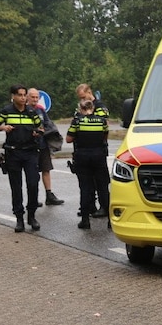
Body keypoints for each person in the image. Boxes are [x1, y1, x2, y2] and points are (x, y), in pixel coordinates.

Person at [0, 84, 42, 232]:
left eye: (25, 95)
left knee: (33, 183)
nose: (23, 98)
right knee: (16, 187)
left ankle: (32, 216)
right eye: (20, 95)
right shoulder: (6, 111)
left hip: (30, 152)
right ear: (13, 96)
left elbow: (41, 127)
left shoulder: (32, 112)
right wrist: (2, 128)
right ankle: (19, 218)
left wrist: (38, 132)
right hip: (13, 153)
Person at [67, 98, 111, 230]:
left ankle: (85, 220)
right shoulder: (102, 121)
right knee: (103, 188)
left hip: (83, 157)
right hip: (99, 156)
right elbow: (105, 136)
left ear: (81, 109)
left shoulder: (77, 121)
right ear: (92, 108)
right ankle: (110, 220)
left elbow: (69, 139)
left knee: (85, 188)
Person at [73, 83, 110, 218]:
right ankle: (89, 205)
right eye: (80, 98)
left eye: (83, 97)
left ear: (89, 92)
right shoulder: (80, 107)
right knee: (86, 181)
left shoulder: (100, 107)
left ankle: (104, 207)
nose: (82, 101)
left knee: (100, 181)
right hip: (82, 149)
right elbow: (75, 121)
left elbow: (102, 124)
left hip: (97, 149)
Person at [28, 88, 65, 208]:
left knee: (46, 169)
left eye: (36, 97)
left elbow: (48, 123)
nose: (34, 99)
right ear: (27, 97)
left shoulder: (41, 110)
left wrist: (46, 131)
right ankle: (33, 199)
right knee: (32, 173)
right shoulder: (24, 110)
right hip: (30, 147)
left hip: (43, 145)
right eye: (32, 97)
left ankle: (49, 195)